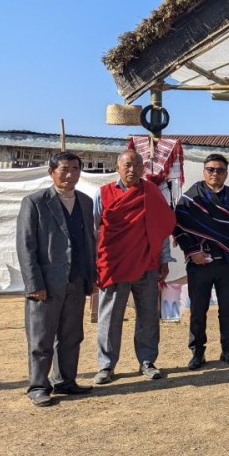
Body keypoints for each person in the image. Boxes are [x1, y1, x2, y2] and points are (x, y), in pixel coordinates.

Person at [16, 152, 97, 406]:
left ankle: (65, 381)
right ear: (51, 172)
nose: (70, 174)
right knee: (41, 338)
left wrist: (90, 276)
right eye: (64, 169)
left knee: (72, 335)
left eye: (75, 169)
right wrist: (34, 284)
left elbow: (88, 242)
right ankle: (38, 386)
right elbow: (25, 246)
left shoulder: (84, 201)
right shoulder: (35, 202)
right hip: (46, 284)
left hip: (76, 281)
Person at [93, 150, 176, 384]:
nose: (132, 170)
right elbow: (94, 231)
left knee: (148, 315)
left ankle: (147, 361)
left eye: (137, 165)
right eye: (127, 165)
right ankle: (106, 366)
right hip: (114, 264)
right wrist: (95, 264)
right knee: (110, 317)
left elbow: (161, 230)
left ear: (143, 168)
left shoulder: (152, 192)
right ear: (118, 168)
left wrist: (164, 259)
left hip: (146, 264)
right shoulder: (103, 194)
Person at [173, 154, 229, 369]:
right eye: (211, 169)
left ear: (226, 173)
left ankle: (228, 349)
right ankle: (197, 352)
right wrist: (193, 251)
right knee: (198, 309)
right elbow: (178, 226)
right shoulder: (191, 197)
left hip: (228, 262)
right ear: (204, 171)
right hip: (200, 263)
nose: (215, 173)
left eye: (220, 170)